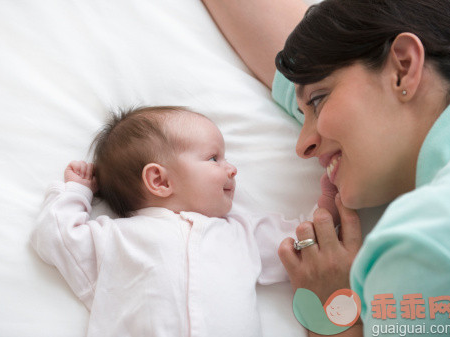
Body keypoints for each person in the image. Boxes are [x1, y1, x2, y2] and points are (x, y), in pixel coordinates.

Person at [202, 0, 450, 336]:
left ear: (403, 66)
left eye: (318, 100)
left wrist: (333, 311)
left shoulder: (421, 243)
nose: (303, 146)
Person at [31, 106, 319, 337]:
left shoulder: (243, 233)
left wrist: (332, 196)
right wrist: (77, 190)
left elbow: (309, 240)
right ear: (159, 180)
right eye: (213, 158)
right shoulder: (115, 239)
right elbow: (55, 234)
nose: (231, 168)